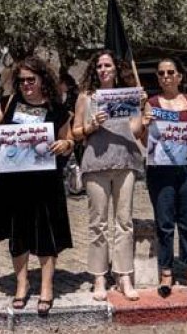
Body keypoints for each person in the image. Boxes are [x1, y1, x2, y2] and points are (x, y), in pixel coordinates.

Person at [0, 57, 74, 316]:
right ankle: (21, 285)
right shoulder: (8, 103)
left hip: (46, 183)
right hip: (13, 183)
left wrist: (65, 145)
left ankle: (46, 288)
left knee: (47, 234)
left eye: (30, 79)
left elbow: (69, 140)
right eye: (21, 80)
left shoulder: (57, 109)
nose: (25, 85)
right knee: (18, 235)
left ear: (43, 79)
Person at [72, 50, 145, 301]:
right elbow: (75, 133)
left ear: (116, 69)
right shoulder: (86, 96)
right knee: (98, 223)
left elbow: (135, 131)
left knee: (124, 221)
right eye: (100, 66)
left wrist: (142, 110)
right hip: (96, 164)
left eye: (108, 65)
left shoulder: (129, 95)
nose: (103, 69)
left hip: (125, 161)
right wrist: (91, 126)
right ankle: (99, 276)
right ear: (96, 70)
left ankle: (124, 275)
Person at [144, 57, 187, 297]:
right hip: (160, 171)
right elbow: (145, 140)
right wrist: (144, 125)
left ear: (180, 76)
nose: (166, 77)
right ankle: (166, 272)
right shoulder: (151, 104)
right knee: (164, 224)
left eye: (171, 72)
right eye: (161, 73)